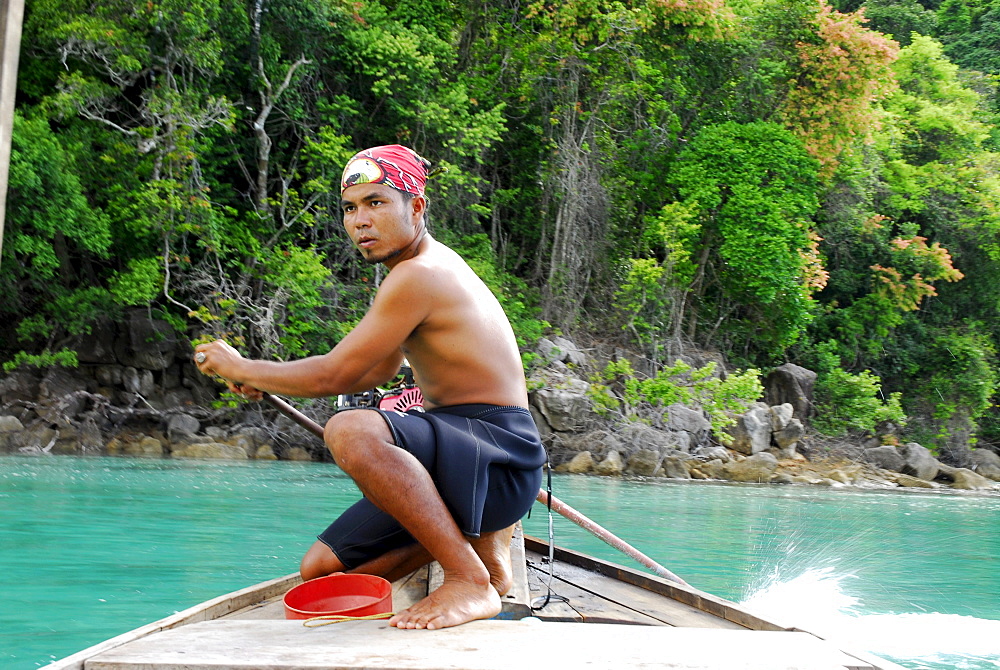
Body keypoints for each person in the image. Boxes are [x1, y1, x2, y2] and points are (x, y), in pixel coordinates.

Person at [193, 144, 546, 631]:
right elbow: (373, 372)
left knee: (351, 431)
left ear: (416, 207)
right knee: (319, 571)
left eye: (376, 202)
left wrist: (243, 365)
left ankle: (469, 576)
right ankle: (479, 549)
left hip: (498, 455)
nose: (360, 220)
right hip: (469, 455)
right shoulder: (410, 273)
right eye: (350, 208)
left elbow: (332, 376)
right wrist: (259, 376)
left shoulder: (420, 274)